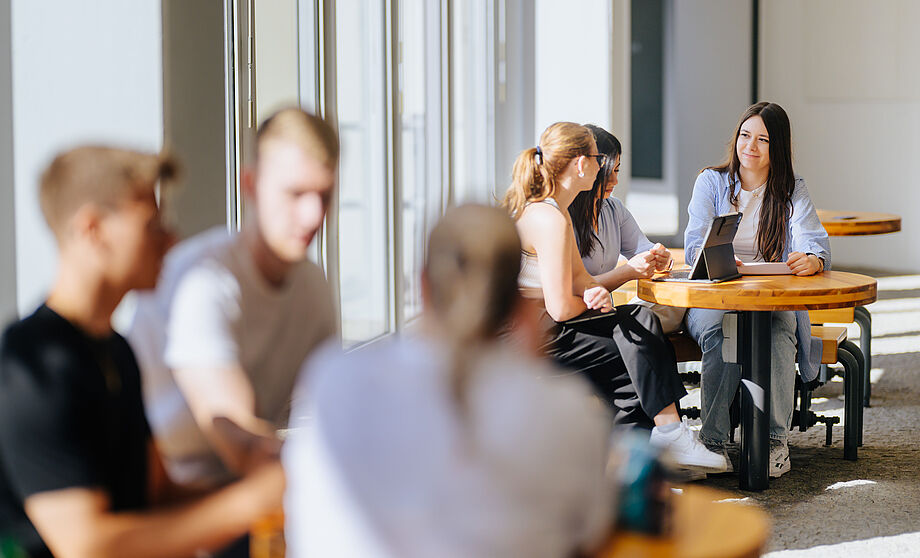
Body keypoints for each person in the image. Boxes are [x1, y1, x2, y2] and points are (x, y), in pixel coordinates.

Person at [283, 205, 615, 557]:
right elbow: (589, 532)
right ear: (516, 300)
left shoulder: (334, 382)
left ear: (424, 286)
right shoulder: (566, 411)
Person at [0, 147, 284, 558]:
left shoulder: (116, 352)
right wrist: (249, 504)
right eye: (151, 224)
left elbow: (157, 496)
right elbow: (87, 547)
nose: (170, 239)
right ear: (93, 229)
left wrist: (277, 495)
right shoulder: (33, 366)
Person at [126, 108, 339, 489]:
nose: (314, 216)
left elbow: (333, 412)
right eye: (296, 194)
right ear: (251, 184)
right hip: (171, 498)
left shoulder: (313, 287)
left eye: (325, 195)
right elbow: (240, 443)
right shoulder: (206, 282)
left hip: (244, 494)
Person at [502, 122, 725, 472]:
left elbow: (581, 280)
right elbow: (562, 308)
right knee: (635, 346)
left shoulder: (556, 212)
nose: (602, 167)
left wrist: (595, 294)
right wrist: (594, 303)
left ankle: (648, 453)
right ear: (580, 164)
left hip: (546, 322)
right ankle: (661, 441)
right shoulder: (549, 218)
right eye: (597, 158)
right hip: (529, 332)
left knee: (640, 325)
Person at [684, 101, 830, 478]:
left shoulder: (791, 188)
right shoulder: (712, 182)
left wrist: (813, 258)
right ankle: (712, 442)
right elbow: (693, 247)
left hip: (771, 300)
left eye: (763, 139)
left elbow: (814, 241)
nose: (751, 146)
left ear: (777, 147)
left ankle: (773, 441)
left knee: (780, 330)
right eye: (745, 136)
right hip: (716, 296)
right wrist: (730, 265)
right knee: (722, 332)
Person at [568, 124, 685, 333]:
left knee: (677, 307)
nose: (615, 180)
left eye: (617, 170)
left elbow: (644, 250)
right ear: (586, 167)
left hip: (604, 313)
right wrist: (628, 272)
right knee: (647, 324)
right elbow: (571, 291)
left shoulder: (614, 209)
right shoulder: (561, 218)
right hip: (577, 321)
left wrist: (662, 258)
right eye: (607, 171)